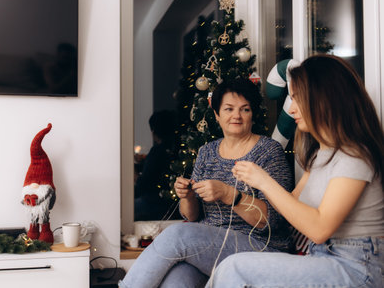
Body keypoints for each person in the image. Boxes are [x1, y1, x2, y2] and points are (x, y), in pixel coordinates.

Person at [209, 54, 384, 287]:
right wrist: (240, 194)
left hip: (356, 266)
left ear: (324, 99)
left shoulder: (354, 156)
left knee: (234, 268)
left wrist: (264, 181)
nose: (292, 110)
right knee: (229, 267)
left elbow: (320, 229)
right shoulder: (321, 155)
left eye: (297, 99)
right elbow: (287, 210)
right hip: (323, 257)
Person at [120, 78, 294, 288]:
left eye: (245, 109)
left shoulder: (269, 151)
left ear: (253, 114)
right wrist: (188, 196)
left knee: (177, 234)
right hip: (211, 248)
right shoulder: (207, 151)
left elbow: (272, 221)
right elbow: (192, 216)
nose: (236, 116)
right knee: (175, 282)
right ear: (217, 114)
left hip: (259, 246)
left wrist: (229, 194)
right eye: (229, 109)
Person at [134, 110, 178, 221]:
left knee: (127, 208)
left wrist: (134, 174)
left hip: (156, 203)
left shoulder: (158, 151)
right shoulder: (176, 149)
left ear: (153, 131)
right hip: (170, 203)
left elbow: (143, 185)